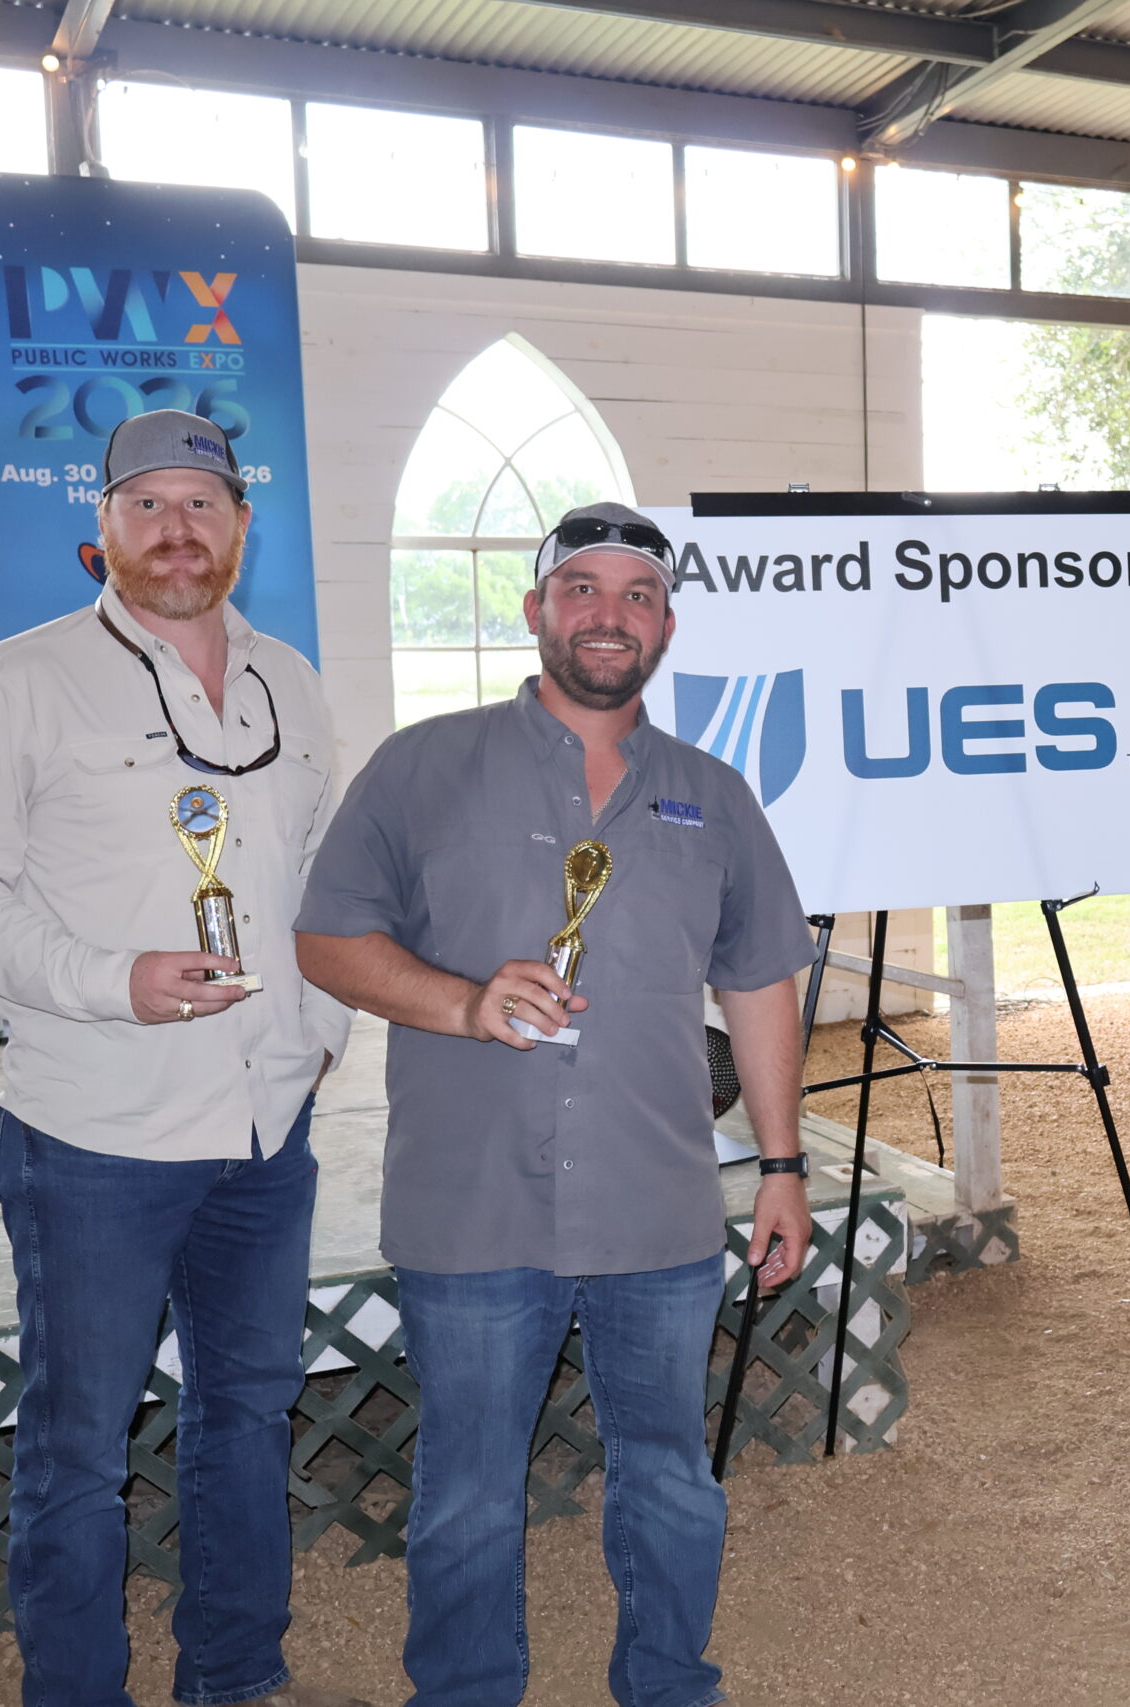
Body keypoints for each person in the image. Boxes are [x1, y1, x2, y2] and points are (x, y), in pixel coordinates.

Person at [294, 500, 816, 1707]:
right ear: (536, 611)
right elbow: (326, 939)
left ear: (666, 627)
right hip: (471, 1204)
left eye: (637, 595)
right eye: (582, 589)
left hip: (657, 1203)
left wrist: (783, 1167)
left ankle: (668, 1685)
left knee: (670, 1479)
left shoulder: (714, 794)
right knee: (469, 1491)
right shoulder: (422, 765)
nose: (608, 615)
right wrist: (461, 1002)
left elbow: (757, 983)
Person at [0, 411, 362, 1707]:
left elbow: (326, 875)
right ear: (102, 525)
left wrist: (319, 1032)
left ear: (241, 526)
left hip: (265, 1131)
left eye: (201, 504)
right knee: (78, 1451)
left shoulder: (289, 682)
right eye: (147, 504)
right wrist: (110, 981)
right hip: (95, 1137)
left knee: (248, 1413)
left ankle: (235, 1674)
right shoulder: (19, 682)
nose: (176, 530)